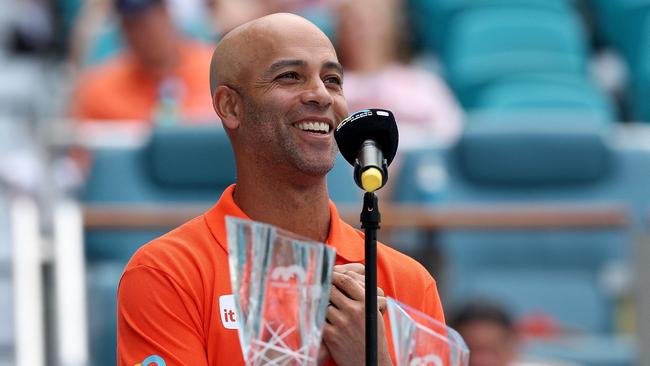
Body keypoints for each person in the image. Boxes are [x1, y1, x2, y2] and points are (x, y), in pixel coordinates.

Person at [117, 13, 445, 365]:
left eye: (333, 80)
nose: (321, 94)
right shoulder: (167, 273)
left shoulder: (409, 281)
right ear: (230, 106)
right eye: (290, 76)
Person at [336, 0, 463, 148]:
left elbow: (451, 132)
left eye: (374, 21)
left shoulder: (423, 82)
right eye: (355, 22)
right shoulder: (329, 87)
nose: (365, 31)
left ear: (391, 27)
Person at [69, 0, 215, 124]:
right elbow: (78, 152)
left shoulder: (214, 69)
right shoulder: (99, 88)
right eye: (130, 25)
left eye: (146, 22)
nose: (139, 34)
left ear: (165, 13)